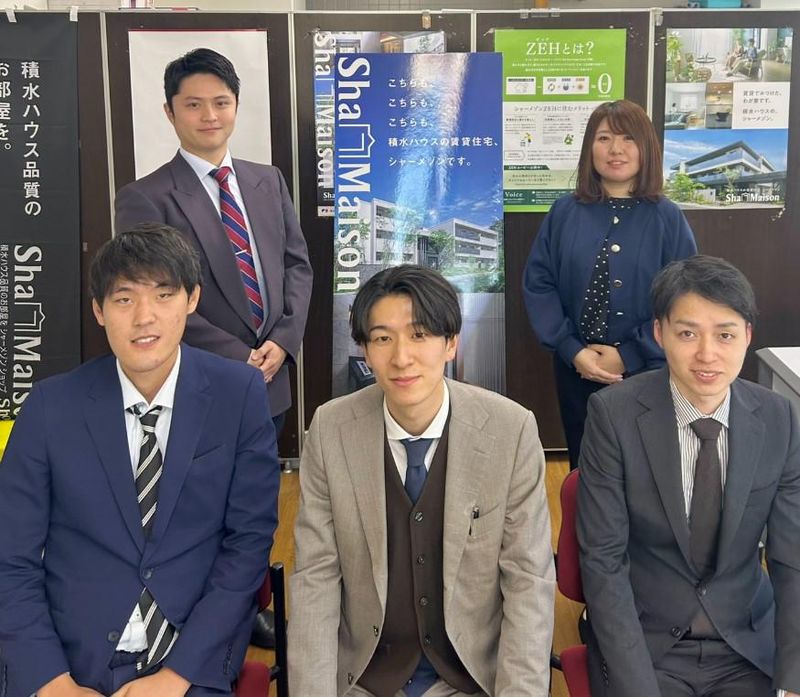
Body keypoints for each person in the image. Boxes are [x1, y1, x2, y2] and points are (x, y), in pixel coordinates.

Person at [0, 224, 280, 697]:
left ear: (192, 298)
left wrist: (177, 676)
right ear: (99, 310)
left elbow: (247, 545)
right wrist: (52, 682)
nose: (144, 317)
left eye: (164, 295)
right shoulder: (50, 407)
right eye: (124, 299)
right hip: (70, 661)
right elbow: (10, 557)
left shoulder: (238, 395)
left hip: (189, 660)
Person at [288, 265, 555, 696]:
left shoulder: (511, 430)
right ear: (364, 349)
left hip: (470, 680)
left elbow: (528, 583)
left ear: (451, 343)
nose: (401, 358)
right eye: (382, 339)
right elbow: (315, 580)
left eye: (420, 335)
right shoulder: (330, 430)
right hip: (366, 678)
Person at [577, 255, 800, 697]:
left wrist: (793, 679)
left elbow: (792, 560)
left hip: (747, 646)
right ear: (659, 333)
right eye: (687, 333)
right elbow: (603, 562)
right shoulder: (613, 415)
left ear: (747, 336)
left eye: (725, 335)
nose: (707, 354)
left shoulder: (780, 419)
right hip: (647, 646)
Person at [114, 47, 312, 436]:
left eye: (221, 102)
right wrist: (238, 356)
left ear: (235, 105)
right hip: (198, 383)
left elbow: (297, 266)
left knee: (263, 474)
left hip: (272, 381)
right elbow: (151, 298)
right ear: (170, 112)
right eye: (194, 105)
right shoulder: (145, 198)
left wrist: (284, 341)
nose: (210, 116)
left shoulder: (268, 180)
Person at [522, 99, 697, 469]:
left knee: (644, 467)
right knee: (585, 464)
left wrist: (630, 354)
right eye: (604, 138)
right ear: (590, 148)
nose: (616, 149)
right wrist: (572, 350)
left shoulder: (667, 217)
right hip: (576, 368)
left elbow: (684, 299)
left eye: (628, 138)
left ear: (646, 148)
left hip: (648, 369)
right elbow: (540, 283)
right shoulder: (565, 211)